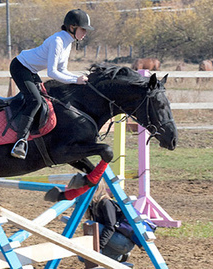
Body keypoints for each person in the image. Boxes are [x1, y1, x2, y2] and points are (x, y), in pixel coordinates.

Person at [9, 9, 94, 159]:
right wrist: (75, 80)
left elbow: (63, 70)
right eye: (83, 29)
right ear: (72, 27)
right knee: (35, 101)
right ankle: (20, 141)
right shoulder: (58, 41)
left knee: (45, 100)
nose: (85, 33)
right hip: (20, 67)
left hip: (30, 70)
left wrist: (79, 78)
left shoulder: (68, 42)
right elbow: (52, 73)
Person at [85, 180, 135, 262]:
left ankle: (120, 252)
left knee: (91, 224)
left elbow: (110, 226)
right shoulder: (93, 205)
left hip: (123, 241)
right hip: (114, 240)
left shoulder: (105, 202)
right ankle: (120, 257)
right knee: (83, 257)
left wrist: (99, 247)